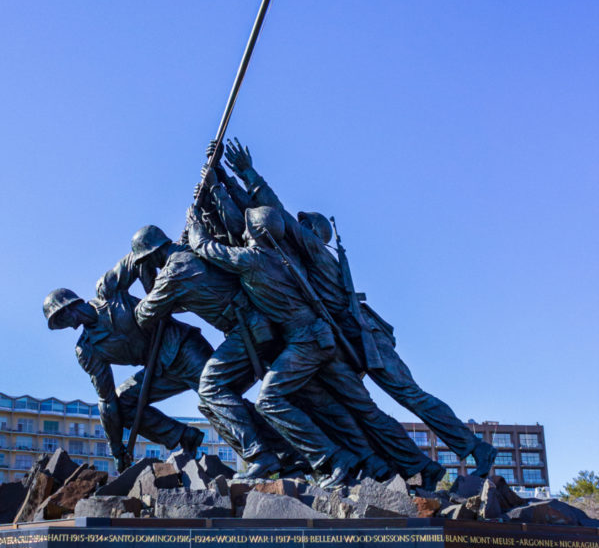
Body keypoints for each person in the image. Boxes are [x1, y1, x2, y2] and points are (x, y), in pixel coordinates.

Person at [217, 139, 498, 477]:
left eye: (303, 225)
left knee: (410, 395)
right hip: (347, 336)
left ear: (312, 233)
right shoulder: (301, 258)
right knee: (368, 409)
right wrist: (224, 180)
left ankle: (476, 448)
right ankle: (413, 465)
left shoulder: (315, 251)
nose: (297, 229)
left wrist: (248, 173)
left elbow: (278, 215)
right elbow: (263, 222)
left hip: (365, 336)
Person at [187, 204, 444, 489]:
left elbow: (206, 248)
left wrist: (194, 222)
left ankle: (331, 458)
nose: (244, 231)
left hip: (305, 342)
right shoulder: (286, 257)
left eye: (248, 227)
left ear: (257, 232)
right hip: (323, 340)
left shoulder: (251, 259)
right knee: (357, 410)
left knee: (268, 401)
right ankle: (411, 464)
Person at [100, 225, 309, 478]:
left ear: (152, 255)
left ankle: (262, 455)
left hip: (247, 329)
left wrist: (148, 281)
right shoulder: (189, 252)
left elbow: (144, 315)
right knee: (214, 402)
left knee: (211, 388)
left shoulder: (173, 271)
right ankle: (289, 454)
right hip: (251, 326)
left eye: (146, 261)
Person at [43, 287, 205, 472]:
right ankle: (185, 436)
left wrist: (155, 289)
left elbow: (140, 271)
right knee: (122, 404)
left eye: (59, 319)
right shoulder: (86, 350)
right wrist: (117, 449)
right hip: (160, 369)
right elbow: (107, 400)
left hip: (182, 347)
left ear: (68, 308)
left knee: (217, 393)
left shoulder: (111, 293)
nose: (62, 325)